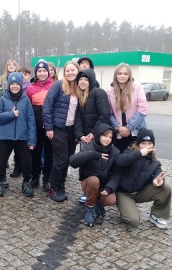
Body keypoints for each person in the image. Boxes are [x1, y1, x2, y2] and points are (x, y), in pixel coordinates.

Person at [114, 128, 172, 228]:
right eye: (143, 143)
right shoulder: (129, 152)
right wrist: (139, 154)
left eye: (149, 143)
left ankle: (157, 215)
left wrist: (157, 180)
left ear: (153, 145)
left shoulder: (154, 162)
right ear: (138, 144)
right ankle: (125, 207)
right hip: (123, 192)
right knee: (133, 221)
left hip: (139, 193)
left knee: (165, 187)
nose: (146, 146)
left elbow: (157, 173)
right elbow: (119, 161)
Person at [0, 72, 36, 197]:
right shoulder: (3, 99)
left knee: (27, 161)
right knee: (1, 161)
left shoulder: (26, 100)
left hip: (22, 137)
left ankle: (26, 182)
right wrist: (11, 114)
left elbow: (31, 121)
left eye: (17, 84)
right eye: (12, 84)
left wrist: (32, 141)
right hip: (5, 136)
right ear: (9, 85)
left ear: (21, 85)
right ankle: (0, 181)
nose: (15, 86)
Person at [69, 124, 121, 227]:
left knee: (111, 199)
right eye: (105, 136)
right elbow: (73, 162)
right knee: (94, 180)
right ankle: (89, 207)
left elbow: (117, 174)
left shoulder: (115, 152)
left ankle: (98, 204)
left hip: (104, 185)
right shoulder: (89, 147)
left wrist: (109, 188)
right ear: (98, 135)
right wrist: (92, 154)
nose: (107, 139)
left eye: (110, 137)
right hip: (89, 182)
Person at [43, 61, 79, 202]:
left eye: (73, 70)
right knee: (60, 160)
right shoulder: (58, 85)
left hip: (72, 130)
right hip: (58, 129)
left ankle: (61, 185)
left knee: (68, 159)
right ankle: (53, 187)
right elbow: (47, 107)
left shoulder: (79, 87)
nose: (70, 73)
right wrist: (49, 127)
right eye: (67, 70)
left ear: (77, 71)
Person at [74, 68, 111, 204]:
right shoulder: (80, 95)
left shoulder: (98, 93)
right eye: (80, 80)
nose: (83, 82)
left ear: (91, 80)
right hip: (85, 138)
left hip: (97, 137)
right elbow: (77, 118)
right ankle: (87, 191)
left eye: (85, 79)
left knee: (98, 165)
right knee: (85, 164)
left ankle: (99, 193)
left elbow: (104, 115)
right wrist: (80, 135)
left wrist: (94, 133)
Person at [26, 59, 54, 191]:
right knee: (35, 153)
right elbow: (27, 107)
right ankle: (35, 177)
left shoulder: (55, 85)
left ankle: (47, 178)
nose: (42, 73)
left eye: (44, 71)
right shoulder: (30, 88)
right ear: (36, 73)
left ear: (48, 72)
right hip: (36, 126)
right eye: (39, 71)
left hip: (50, 127)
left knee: (49, 154)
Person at [107, 63, 148, 153]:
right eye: (120, 73)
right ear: (115, 75)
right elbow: (108, 113)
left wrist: (129, 128)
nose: (122, 76)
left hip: (135, 131)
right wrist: (118, 127)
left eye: (125, 74)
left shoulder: (137, 88)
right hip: (118, 133)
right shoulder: (110, 91)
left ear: (129, 75)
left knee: (135, 160)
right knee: (119, 160)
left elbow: (142, 109)